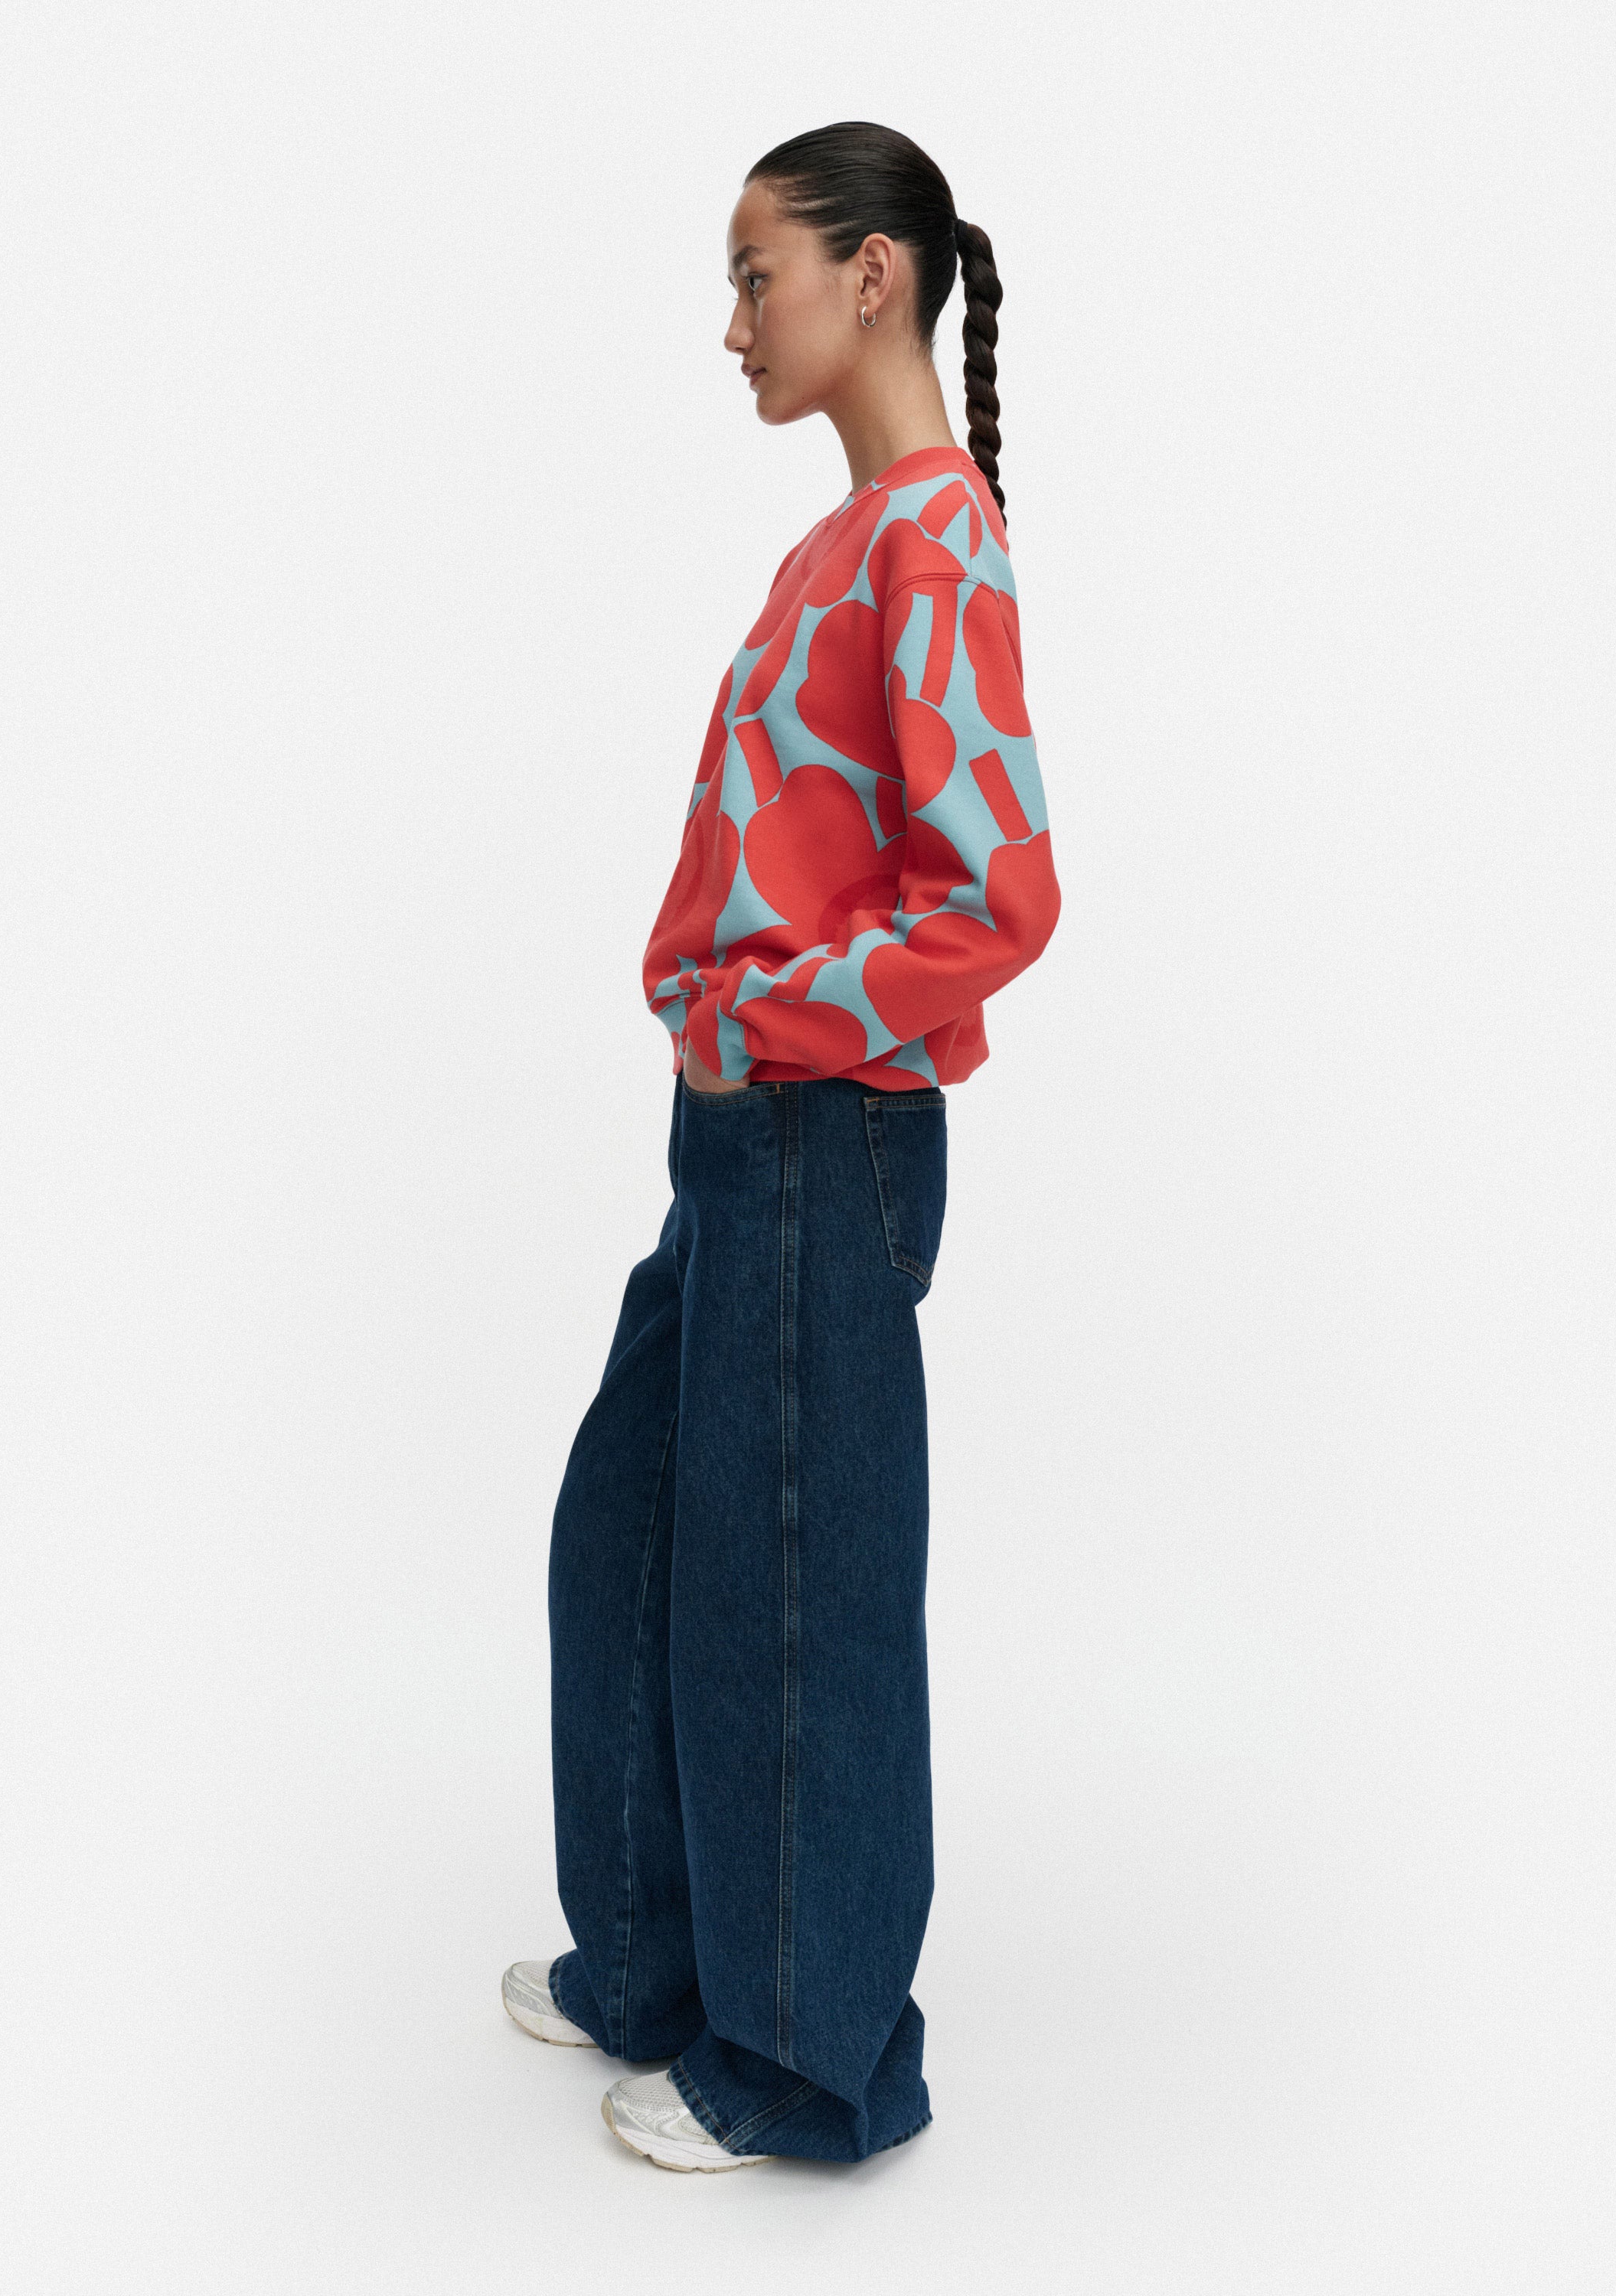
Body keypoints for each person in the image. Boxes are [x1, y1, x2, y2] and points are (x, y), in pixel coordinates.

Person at [503, 119, 1062, 2171]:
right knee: (638, 1534)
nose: (733, 321)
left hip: (826, 1134)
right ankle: (660, 1962)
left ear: (871, 275)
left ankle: (814, 2064)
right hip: (739, 1141)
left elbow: (998, 896)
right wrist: (716, 1029)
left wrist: (757, 1019)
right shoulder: (848, 540)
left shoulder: (935, 541)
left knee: (794, 1600)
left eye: (758, 274)